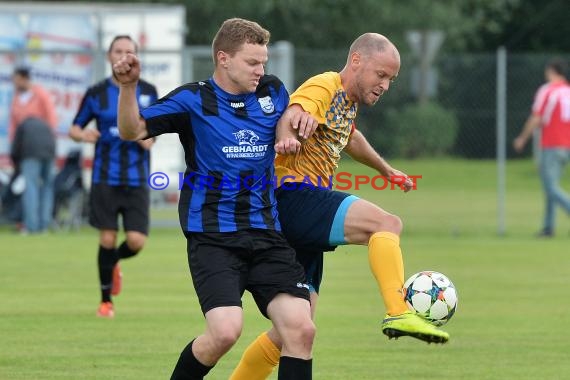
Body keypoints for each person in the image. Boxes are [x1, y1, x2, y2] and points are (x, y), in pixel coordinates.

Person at [230, 33, 450, 380]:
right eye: (381, 74)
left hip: (298, 216)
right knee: (386, 224)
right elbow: (295, 110)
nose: (385, 85)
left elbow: (350, 137)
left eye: (391, 79)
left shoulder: (346, 103)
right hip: (292, 196)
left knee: (296, 331)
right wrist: (287, 132)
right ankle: (398, 309)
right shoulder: (326, 84)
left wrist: (385, 169)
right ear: (357, 61)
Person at [113, 18, 316, 379]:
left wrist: (289, 132)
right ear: (223, 58)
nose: (261, 70)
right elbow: (133, 130)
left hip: (267, 234)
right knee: (224, 332)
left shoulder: (272, 91)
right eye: (252, 63)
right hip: (214, 238)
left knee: (301, 329)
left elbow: (287, 116)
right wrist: (127, 88)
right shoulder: (192, 99)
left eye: (263, 62)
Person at [69, 35, 158, 318]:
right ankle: (106, 301)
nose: (123, 55)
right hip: (105, 177)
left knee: (136, 241)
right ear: (109, 56)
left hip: (137, 178)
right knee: (106, 238)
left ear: (136, 57)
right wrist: (84, 135)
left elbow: (156, 127)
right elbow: (74, 128)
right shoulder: (96, 93)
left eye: (129, 51)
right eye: (118, 50)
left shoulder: (148, 90)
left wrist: (150, 139)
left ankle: (114, 262)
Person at [513, 58, 570, 237]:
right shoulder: (568, 91)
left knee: (550, 187)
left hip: (552, 144)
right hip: (567, 145)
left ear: (551, 71)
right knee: (551, 187)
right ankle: (548, 227)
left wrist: (523, 137)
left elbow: (537, 117)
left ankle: (550, 225)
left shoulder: (548, 91)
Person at [10, 117, 56, 234]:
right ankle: (44, 225)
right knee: (47, 188)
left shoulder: (22, 126)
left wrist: (16, 166)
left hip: (30, 155)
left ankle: (31, 226)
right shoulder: (44, 124)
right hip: (49, 154)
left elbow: (16, 147)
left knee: (31, 188)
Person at [9, 66, 58, 142]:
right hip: (22, 140)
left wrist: (49, 137)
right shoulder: (16, 98)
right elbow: (13, 121)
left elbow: (51, 115)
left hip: (39, 139)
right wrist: (12, 139)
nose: (15, 83)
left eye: (18, 80)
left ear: (25, 79)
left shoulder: (41, 94)